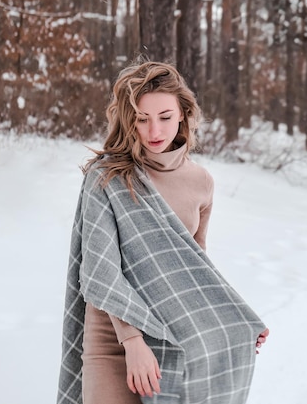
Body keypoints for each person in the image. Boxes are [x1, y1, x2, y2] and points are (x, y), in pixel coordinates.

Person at [57, 60, 269, 404]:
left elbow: (194, 269)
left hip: (173, 334)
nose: (154, 130)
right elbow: (99, 271)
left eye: (165, 117)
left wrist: (234, 321)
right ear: (129, 120)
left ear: (184, 114)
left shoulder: (201, 182)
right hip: (112, 337)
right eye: (142, 119)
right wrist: (132, 341)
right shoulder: (107, 177)